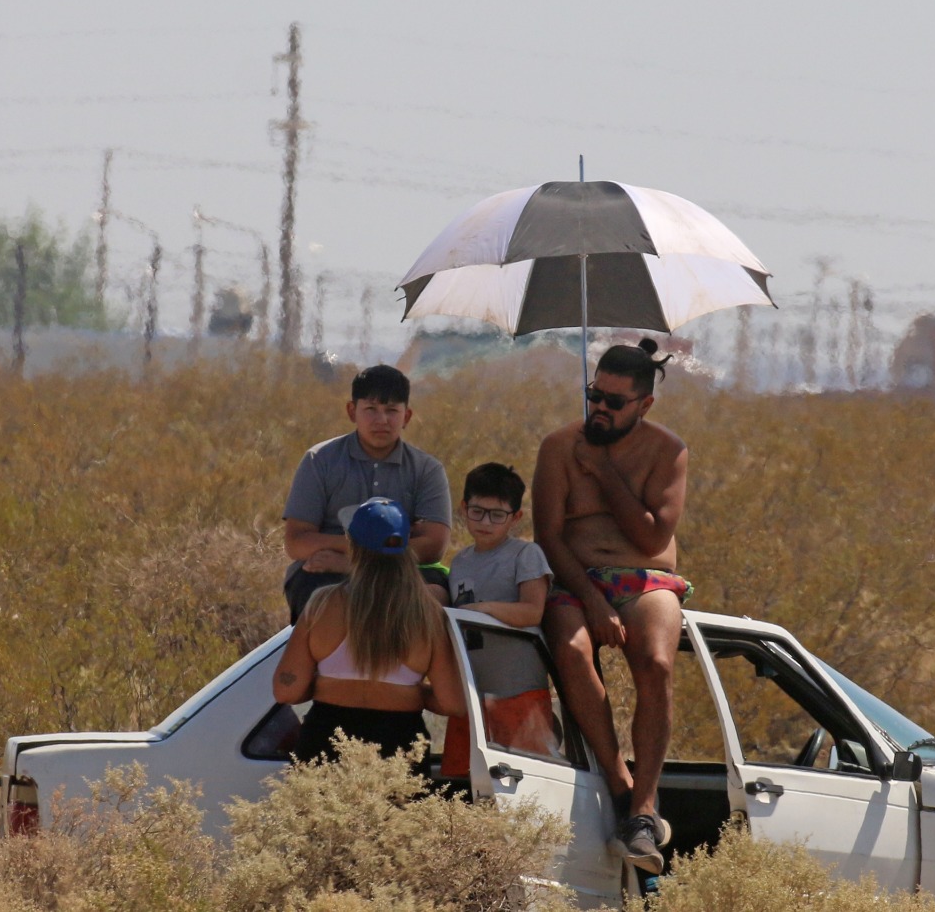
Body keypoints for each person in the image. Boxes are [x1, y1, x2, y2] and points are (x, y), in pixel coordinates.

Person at [534, 339, 689, 875]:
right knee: (573, 651)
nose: (599, 407)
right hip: (575, 579)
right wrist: (594, 601)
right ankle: (620, 784)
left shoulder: (668, 451)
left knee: (657, 662)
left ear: (644, 404)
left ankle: (645, 807)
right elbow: (549, 536)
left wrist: (603, 471)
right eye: (594, 395)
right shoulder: (559, 446)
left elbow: (652, 538)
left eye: (614, 402)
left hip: (645, 578)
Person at [273, 497, 466, 767]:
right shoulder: (427, 614)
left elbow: (286, 691)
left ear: (352, 546)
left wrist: (329, 686)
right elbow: (453, 702)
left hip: (327, 740)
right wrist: (409, 693)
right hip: (400, 747)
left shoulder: (322, 604)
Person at [282, 364, 452, 622]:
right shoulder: (320, 460)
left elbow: (432, 546)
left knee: (436, 594)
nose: (381, 420)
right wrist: (379, 552)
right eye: (371, 409)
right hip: (326, 571)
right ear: (352, 411)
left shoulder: (427, 469)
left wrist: (354, 560)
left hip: (399, 572)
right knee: (325, 601)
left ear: (406, 416)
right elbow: (297, 542)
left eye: (391, 410)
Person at [439, 463, 557, 777]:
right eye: (477, 512)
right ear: (463, 508)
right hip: (471, 695)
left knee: (529, 784)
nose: (485, 522)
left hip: (519, 692)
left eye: (497, 515)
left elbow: (532, 611)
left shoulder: (525, 554)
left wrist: (484, 609)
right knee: (463, 785)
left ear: (516, 517)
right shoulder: (460, 561)